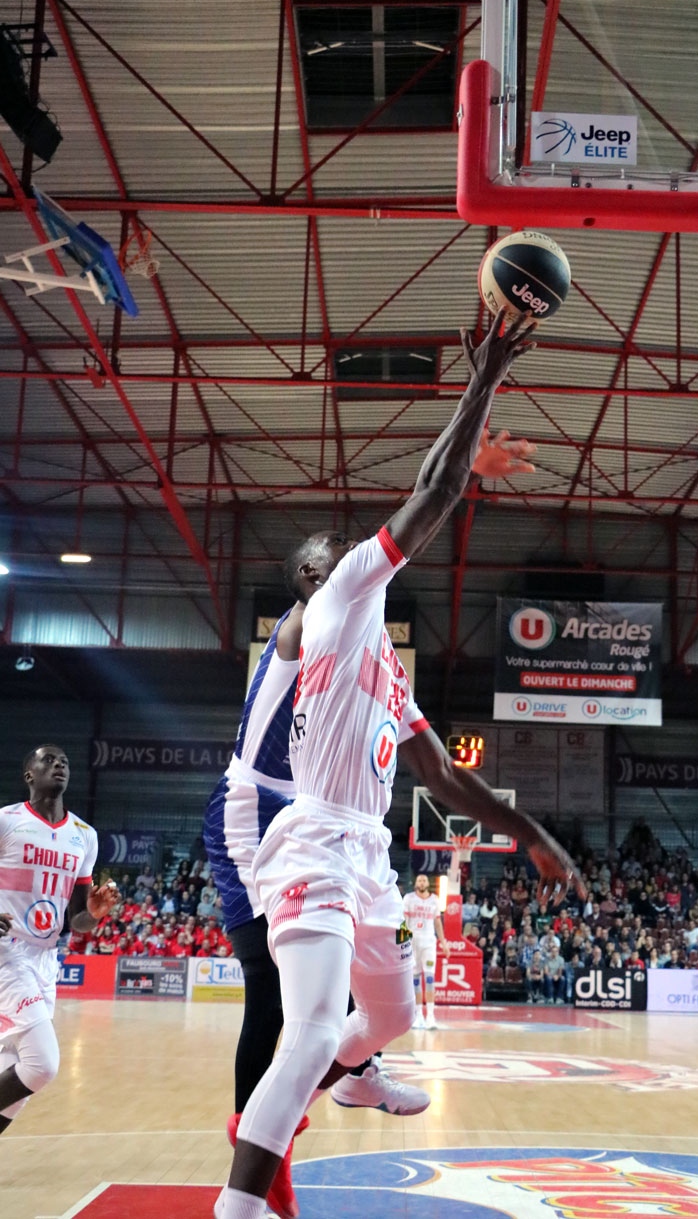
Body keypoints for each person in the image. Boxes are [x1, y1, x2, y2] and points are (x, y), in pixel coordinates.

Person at [219, 309, 578, 1219]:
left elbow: (444, 779)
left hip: (368, 855)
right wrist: (485, 374)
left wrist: (531, 832)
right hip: (308, 840)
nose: (347, 548)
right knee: (302, 1033)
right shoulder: (337, 604)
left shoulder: (381, 666)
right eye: (327, 550)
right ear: (312, 578)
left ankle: (345, 1079)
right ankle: (238, 1204)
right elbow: (432, 492)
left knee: (388, 1020)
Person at [203, 603, 430, 1128]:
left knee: (354, 954)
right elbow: (330, 594)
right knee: (270, 991)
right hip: (255, 806)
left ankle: (358, 1070)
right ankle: (252, 1138)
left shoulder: (369, 668)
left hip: (323, 818)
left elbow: (426, 755)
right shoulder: (303, 626)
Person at [0, 745, 116, 1133]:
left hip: (46, 959)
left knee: (14, 1078)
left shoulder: (84, 836)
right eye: (47, 760)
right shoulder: (6, 821)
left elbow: (78, 920)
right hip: (5, 951)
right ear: (29, 775)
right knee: (41, 1065)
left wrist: (94, 915)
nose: (59, 764)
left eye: (64, 760)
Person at [401, 873, 448, 1030]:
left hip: (428, 942)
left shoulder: (435, 900)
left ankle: (431, 1016)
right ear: (415, 883)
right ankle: (418, 1015)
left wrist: (444, 942)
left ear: (428, 883)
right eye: (419, 880)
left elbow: (438, 923)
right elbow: (403, 921)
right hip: (413, 942)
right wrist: (400, 943)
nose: (421, 882)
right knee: (415, 980)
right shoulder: (408, 898)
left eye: (424, 880)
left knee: (429, 979)